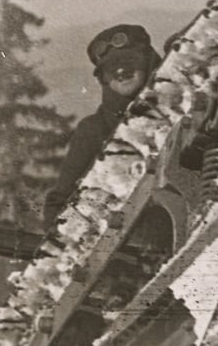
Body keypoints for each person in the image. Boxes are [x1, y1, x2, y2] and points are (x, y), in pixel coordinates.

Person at [42, 24, 161, 230]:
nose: (121, 72)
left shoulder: (180, 101)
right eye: (110, 70)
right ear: (103, 79)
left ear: (148, 62)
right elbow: (60, 201)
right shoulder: (94, 130)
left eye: (129, 62)